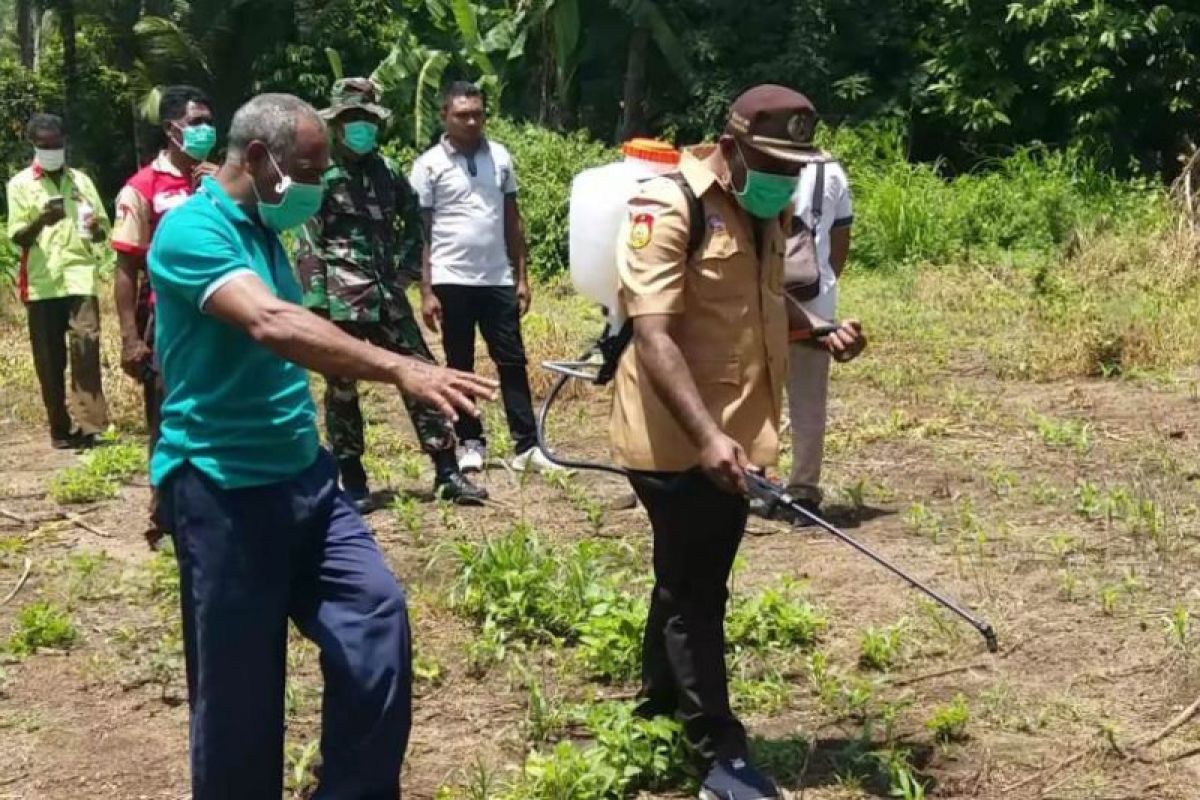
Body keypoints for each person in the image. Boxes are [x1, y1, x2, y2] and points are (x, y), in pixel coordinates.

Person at [148, 93, 496, 800]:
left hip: (305, 477)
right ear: (257, 158)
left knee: (375, 619)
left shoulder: (265, 230)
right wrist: (401, 366)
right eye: (308, 168)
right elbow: (272, 322)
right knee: (240, 696)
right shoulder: (191, 231)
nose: (318, 183)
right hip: (223, 487)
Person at [611, 85, 821, 800]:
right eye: (774, 163)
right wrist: (707, 437)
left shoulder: (766, 206)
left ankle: (655, 712)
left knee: (683, 575)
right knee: (699, 590)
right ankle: (719, 755)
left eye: (796, 168)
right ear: (731, 148)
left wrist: (813, 328)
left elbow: (758, 296)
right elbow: (653, 333)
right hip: (676, 437)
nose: (786, 179)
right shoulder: (670, 205)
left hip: (734, 433)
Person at [300, 77, 486, 508]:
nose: (360, 128)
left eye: (367, 120)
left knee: (423, 374)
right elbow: (306, 243)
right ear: (337, 124)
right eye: (352, 120)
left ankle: (446, 470)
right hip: (339, 298)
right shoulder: (319, 175)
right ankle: (354, 481)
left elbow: (415, 223)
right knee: (341, 389)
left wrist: (405, 272)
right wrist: (316, 304)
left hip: (386, 296)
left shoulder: (386, 173)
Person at [411, 81, 559, 473]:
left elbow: (513, 221)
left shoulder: (501, 158)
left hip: (496, 278)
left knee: (512, 360)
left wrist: (521, 277)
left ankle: (527, 446)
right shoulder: (428, 165)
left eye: (478, 113)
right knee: (460, 363)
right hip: (450, 277)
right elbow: (422, 233)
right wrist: (427, 289)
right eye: (462, 115)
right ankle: (471, 441)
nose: (472, 121)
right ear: (445, 116)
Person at [112, 85, 218, 452]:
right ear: (172, 130)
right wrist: (130, 338)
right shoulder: (143, 187)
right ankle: (165, 490)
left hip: (223, 310)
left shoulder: (221, 182)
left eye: (209, 122)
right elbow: (126, 266)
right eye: (196, 122)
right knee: (166, 405)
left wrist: (220, 191)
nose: (205, 129)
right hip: (168, 314)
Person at [6, 112, 110, 450]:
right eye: (45, 146)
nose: (53, 150)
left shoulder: (81, 181)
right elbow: (19, 238)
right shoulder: (20, 184)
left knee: (86, 343)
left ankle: (91, 424)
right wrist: (42, 220)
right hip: (42, 281)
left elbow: (101, 232)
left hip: (79, 276)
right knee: (48, 358)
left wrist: (95, 228)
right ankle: (59, 426)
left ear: (65, 143)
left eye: (57, 145)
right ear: (34, 147)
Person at [780, 156, 866, 518]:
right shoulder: (831, 173)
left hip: (760, 297)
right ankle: (803, 492)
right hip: (816, 299)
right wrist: (821, 284)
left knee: (754, 393)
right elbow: (840, 243)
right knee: (808, 402)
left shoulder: (755, 163)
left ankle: (751, 475)